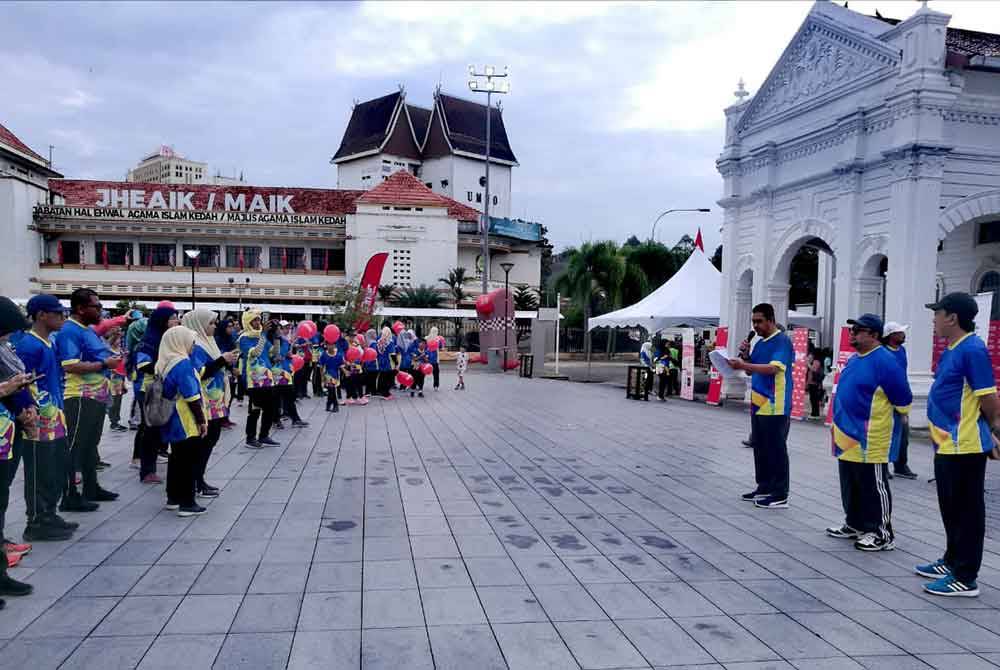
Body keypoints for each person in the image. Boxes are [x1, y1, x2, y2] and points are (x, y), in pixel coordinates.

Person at [917, 293, 999, 597]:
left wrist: (995, 431)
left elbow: (988, 396)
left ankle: (965, 577)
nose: (934, 319)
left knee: (967, 511)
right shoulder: (952, 349)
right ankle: (952, 560)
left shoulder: (973, 349)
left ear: (952, 317)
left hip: (964, 445)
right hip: (946, 444)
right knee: (950, 508)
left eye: (938, 313)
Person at [826, 314, 912, 552]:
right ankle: (854, 523)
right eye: (852, 329)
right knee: (850, 483)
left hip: (870, 437)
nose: (852, 333)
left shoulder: (885, 361)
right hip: (845, 435)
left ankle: (881, 533)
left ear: (874, 335)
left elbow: (903, 398)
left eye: (858, 330)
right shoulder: (855, 359)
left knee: (873, 485)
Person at [17, 295, 78, 542]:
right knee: (39, 470)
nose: (63, 317)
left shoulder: (47, 342)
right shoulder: (28, 346)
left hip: (54, 415)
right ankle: (37, 520)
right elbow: (23, 383)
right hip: (39, 419)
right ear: (42, 315)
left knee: (54, 468)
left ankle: (49, 513)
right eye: (58, 313)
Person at [53, 288, 120, 511]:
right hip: (80, 396)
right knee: (75, 447)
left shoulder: (87, 329)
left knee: (91, 444)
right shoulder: (70, 331)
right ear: (81, 308)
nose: (100, 310)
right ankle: (69, 496)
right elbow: (70, 365)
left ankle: (91, 487)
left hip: (96, 395)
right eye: (96, 306)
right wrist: (104, 364)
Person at [729, 303, 794, 509]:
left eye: (759, 321)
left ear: (771, 320)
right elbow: (750, 371)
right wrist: (746, 356)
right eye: (753, 321)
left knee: (776, 448)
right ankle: (764, 486)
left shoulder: (781, 341)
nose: (755, 326)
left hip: (775, 403)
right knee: (760, 446)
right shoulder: (760, 342)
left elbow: (773, 369)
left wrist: (743, 364)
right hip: (758, 402)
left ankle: (780, 493)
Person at [0, 298, 35, 599]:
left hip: (5, 435)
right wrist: (5, 389)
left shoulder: (4, 351)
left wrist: (26, 404)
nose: (9, 337)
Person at [183, 309, 238, 498]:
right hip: (203, 400)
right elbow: (200, 372)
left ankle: (199, 478)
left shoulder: (209, 341)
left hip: (214, 399)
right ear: (199, 323)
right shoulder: (194, 344)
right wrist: (222, 360)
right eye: (211, 323)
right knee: (203, 441)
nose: (215, 326)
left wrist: (226, 360)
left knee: (212, 437)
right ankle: (195, 481)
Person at [157, 327, 208, 517]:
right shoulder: (183, 363)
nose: (193, 346)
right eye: (191, 342)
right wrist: (201, 420)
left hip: (171, 417)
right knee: (188, 460)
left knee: (177, 458)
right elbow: (191, 395)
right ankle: (187, 503)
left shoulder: (165, 361)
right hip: (184, 418)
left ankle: (173, 497)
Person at [132, 306, 178, 483]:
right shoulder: (149, 341)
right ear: (162, 321)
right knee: (150, 430)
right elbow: (143, 365)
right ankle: (147, 469)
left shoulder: (171, 340)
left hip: (167, 389)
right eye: (173, 318)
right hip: (151, 390)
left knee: (159, 429)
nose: (176, 321)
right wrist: (166, 369)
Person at [238, 310, 280, 449]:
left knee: (270, 408)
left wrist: (276, 337)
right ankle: (250, 438)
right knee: (255, 409)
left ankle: (264, 435)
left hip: (267, 379)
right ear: (247, 322)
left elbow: (273, 352)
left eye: (258, 320)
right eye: (254, 320)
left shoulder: (261, 336)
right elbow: (255, 353)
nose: (257, 323)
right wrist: (263, 334)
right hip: (254, 380)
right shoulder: (243, 338)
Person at [881, 321, 916, 480]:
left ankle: (901, 465)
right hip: (886, 400)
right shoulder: (882, 352)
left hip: (902, 397)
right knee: (887, 435)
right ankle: (883, 466)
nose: (903, 334)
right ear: (890, 336)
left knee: (903, 434)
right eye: (900, 332)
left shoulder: (902, 351)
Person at [96, 316, 129, 433]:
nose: (119, 342)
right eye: (118, 340)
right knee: (114, 402)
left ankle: (115, 421)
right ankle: (113, 422)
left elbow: (123, 364)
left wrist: (124, 357)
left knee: (118, 401)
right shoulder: (108, 350)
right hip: (113, 379)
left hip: (120, 378)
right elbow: (109, 366)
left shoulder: (120, 350)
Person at [319, 342, 344, 412]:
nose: (330, 346)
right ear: (326, 345)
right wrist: (322, 377)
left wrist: (345, 372)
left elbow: (341, 365)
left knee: (331, 390)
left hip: (335, 374)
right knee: (331, 390)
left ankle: (328, 403)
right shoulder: (324, 355)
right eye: (329, 344)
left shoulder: (338, 355)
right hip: (328, 375)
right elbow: (321, 366)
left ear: (335, 345)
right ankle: (335, 405)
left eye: (332, 344)